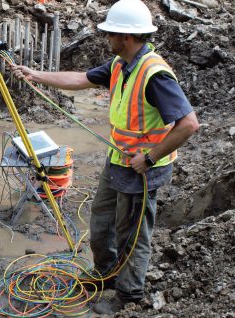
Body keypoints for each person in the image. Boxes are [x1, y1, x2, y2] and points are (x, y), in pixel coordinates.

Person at [12, 0, 199, 314]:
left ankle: (129, 295)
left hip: (142, 170)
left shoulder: (154, 74)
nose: (106, 39)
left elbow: (189, 124)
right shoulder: (119, 65)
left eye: (110, 34)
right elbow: (81, 79)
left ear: (125, 37)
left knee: (132, 234)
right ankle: (106, 274)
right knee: (100, 219)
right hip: (118, 161)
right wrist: (37, 75)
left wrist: (150, 158)